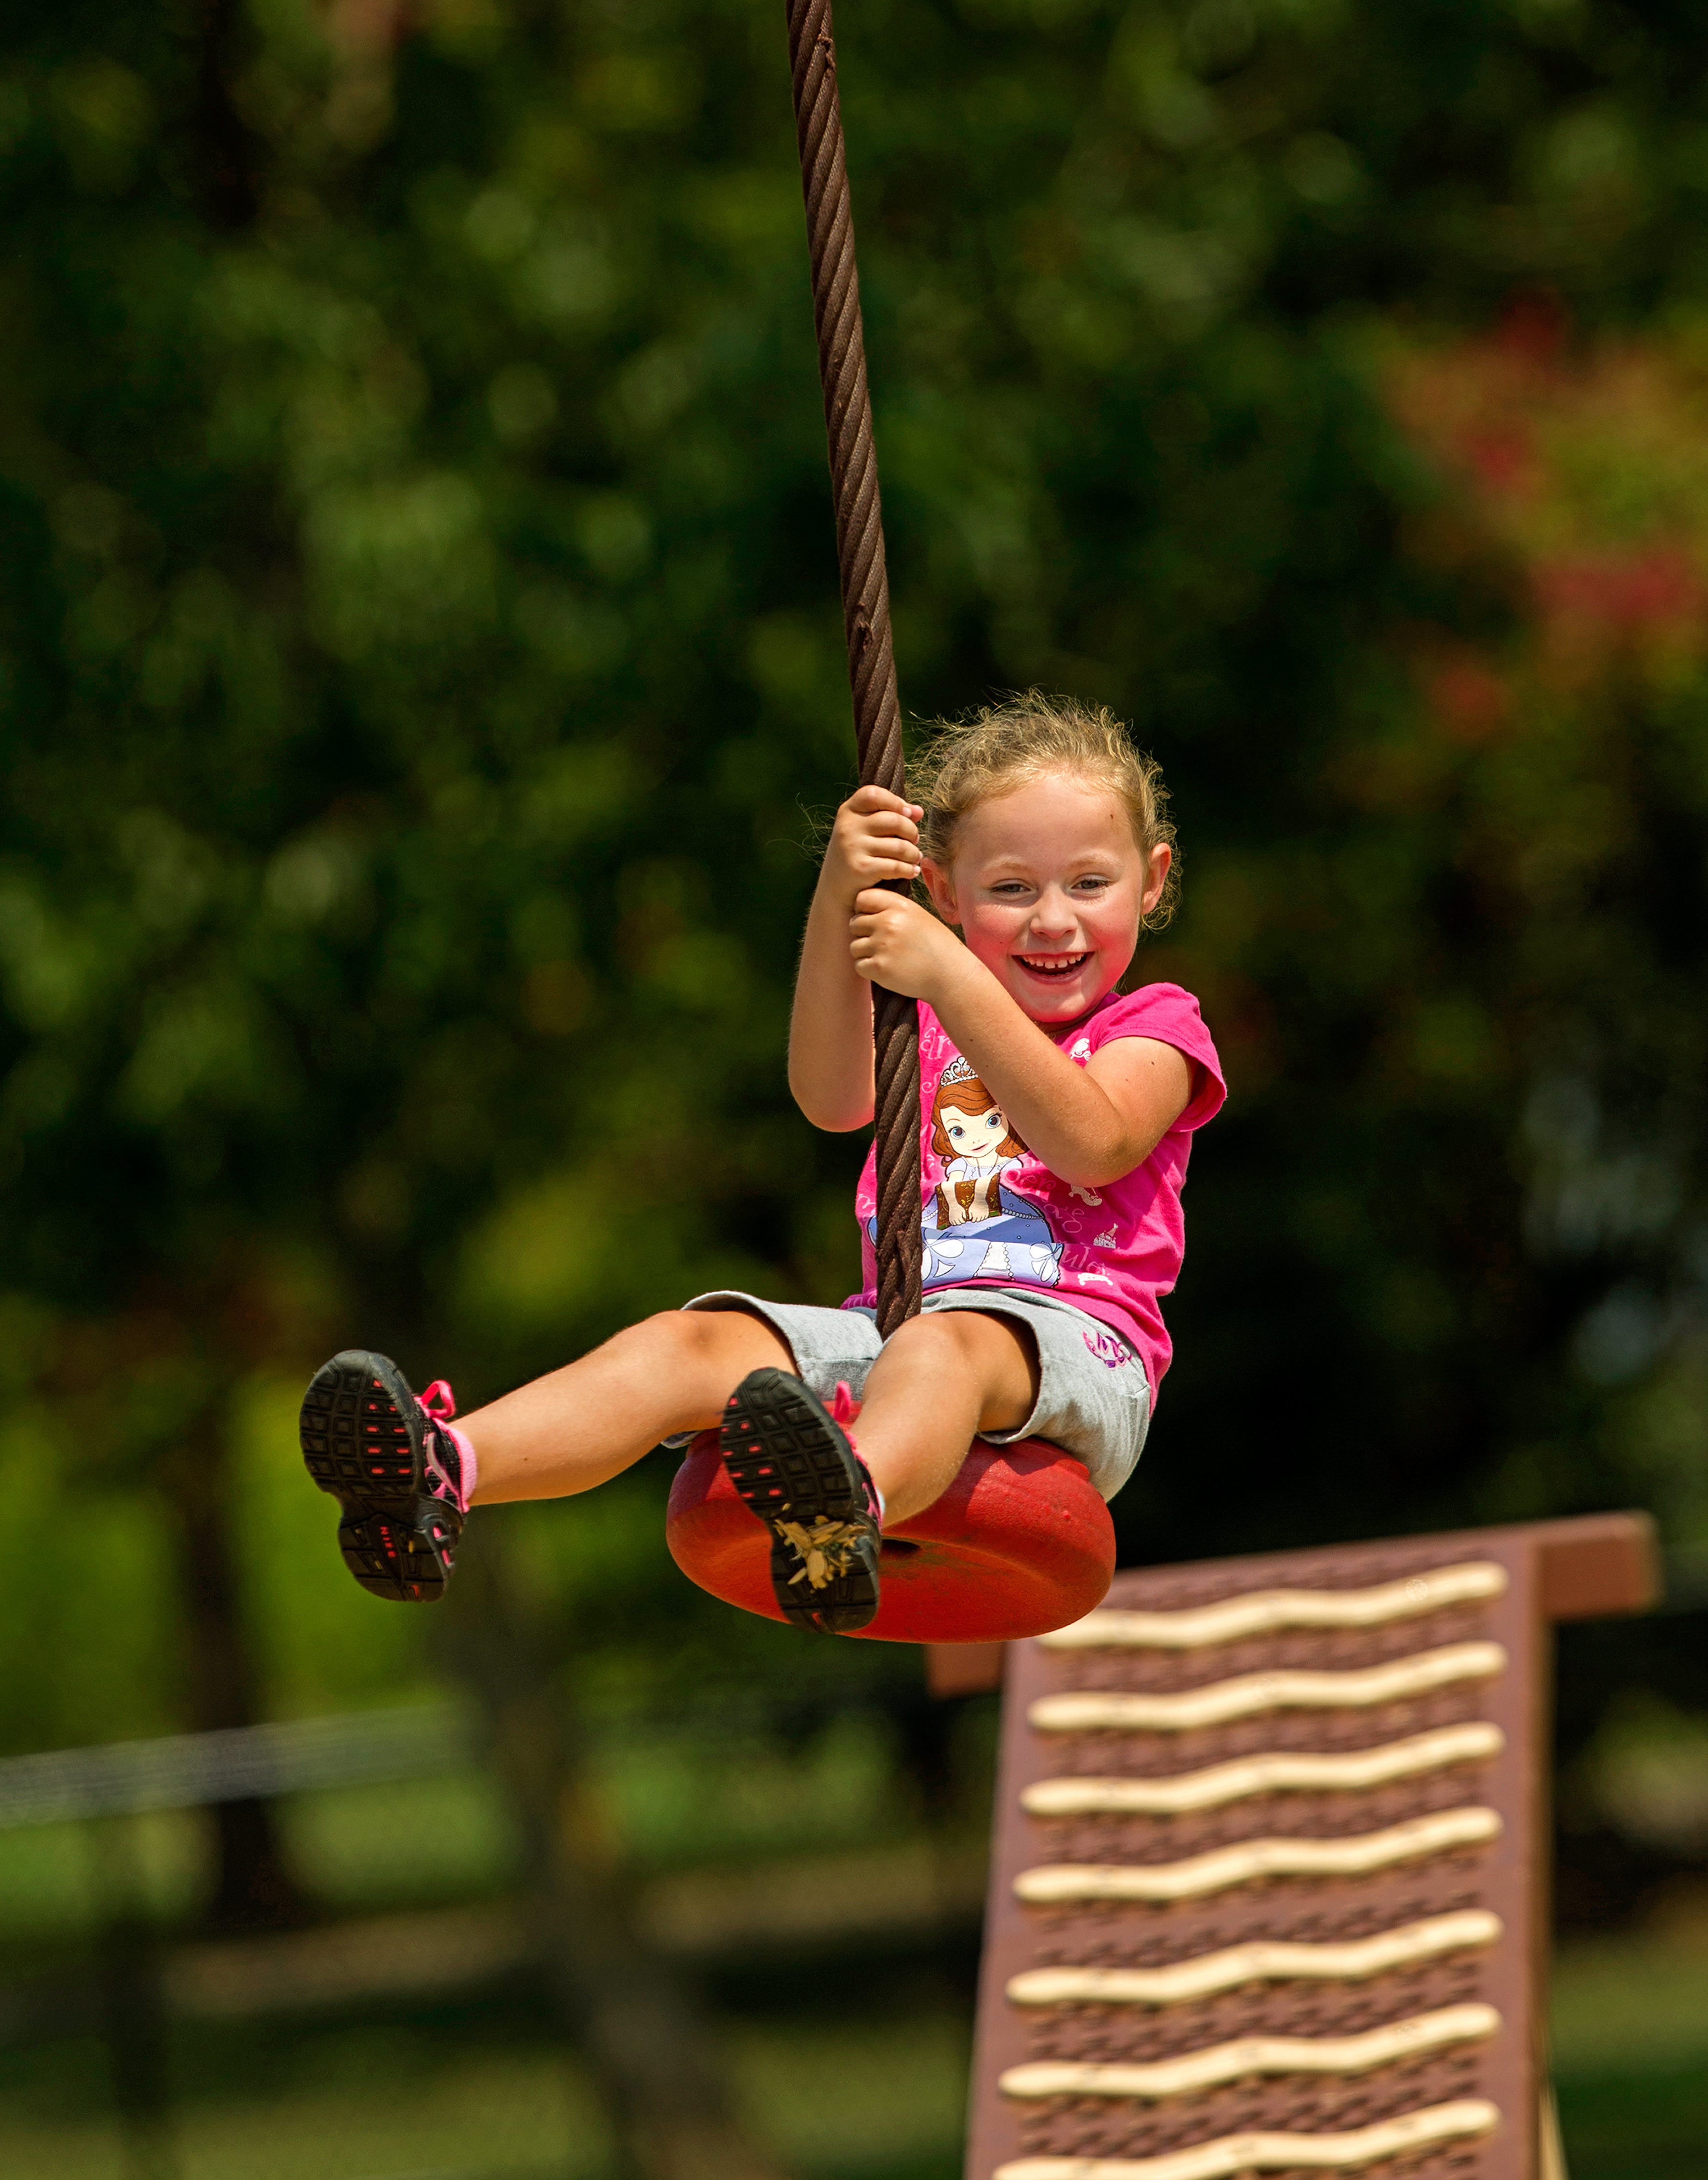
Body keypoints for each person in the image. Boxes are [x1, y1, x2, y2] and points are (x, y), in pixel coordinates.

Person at [299, 693, 1225, 1635]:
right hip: (900, 1331)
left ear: (1150, 881)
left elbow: (1093, 1139)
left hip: (1072, 1352)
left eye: (1088, 884)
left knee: (943, 1348)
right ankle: (440, 1469)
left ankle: (839, 1507)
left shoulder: (1154, 1025)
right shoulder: (925, 1025)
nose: (1052, 921)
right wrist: (838, 897)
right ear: (945, 893)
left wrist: (949, 972)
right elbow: (832, 1098)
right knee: (690, 1340)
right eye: (1012, 888)